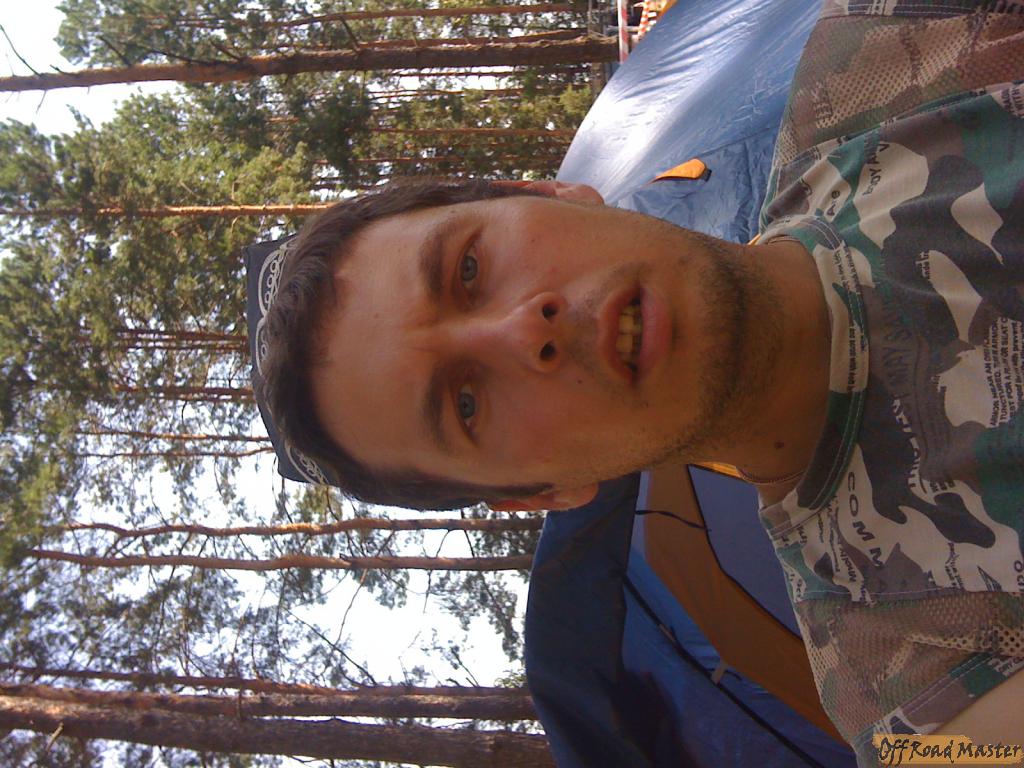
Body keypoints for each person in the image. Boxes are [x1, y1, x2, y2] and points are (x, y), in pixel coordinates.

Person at [254, 1, 1024, 764]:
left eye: (468, 268)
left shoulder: (894, 49)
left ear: (548, 194)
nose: (524, 332)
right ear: (545, 494)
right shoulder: (923, 688)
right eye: (464, 403)